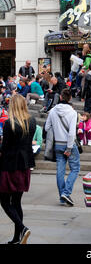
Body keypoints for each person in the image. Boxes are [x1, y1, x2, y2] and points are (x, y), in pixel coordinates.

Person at [0, 94, 36, 244]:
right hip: (25, 165)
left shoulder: (10, 124)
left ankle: (22, 228)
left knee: (4, 201)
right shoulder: (32, 121)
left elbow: (5, 147)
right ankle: (17, 237)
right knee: (16, 202)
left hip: (10, 166)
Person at [45, 89, 80, 207]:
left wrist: (56, 130)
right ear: (70, 98)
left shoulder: (53, 111)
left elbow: (46, 127)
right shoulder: (72, 112)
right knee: (75, 168)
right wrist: (69, 148)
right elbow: (71, 133)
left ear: (60, 97)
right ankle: (66, 192)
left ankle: (62, 196)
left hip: (58, 144)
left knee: (60, 170)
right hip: (68, 144)